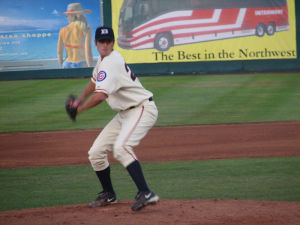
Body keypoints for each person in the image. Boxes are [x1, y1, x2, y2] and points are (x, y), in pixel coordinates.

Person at [74, 26, 159, 211]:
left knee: (121, 148)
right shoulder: (102, 60)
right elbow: (95, 82)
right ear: (95, 43)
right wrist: (79, 99)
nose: (105, 45)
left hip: (141, 109)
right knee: (95, 153)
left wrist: (79, 109)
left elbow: (100, 95)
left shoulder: (111, 61)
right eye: (101, 41)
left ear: (112, 43)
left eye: (108, 42)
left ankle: (146, 192)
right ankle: (108, 194)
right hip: (124, 114)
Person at [57, 3, 93, 68]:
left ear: (71, 16)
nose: (67, 17)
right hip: (80, 63)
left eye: (67, 16)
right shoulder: (86, 30)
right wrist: (90, 68)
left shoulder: (62, 30)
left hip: (66, 63)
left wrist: (61, 66)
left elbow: (59, 52)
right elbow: (88, 52)